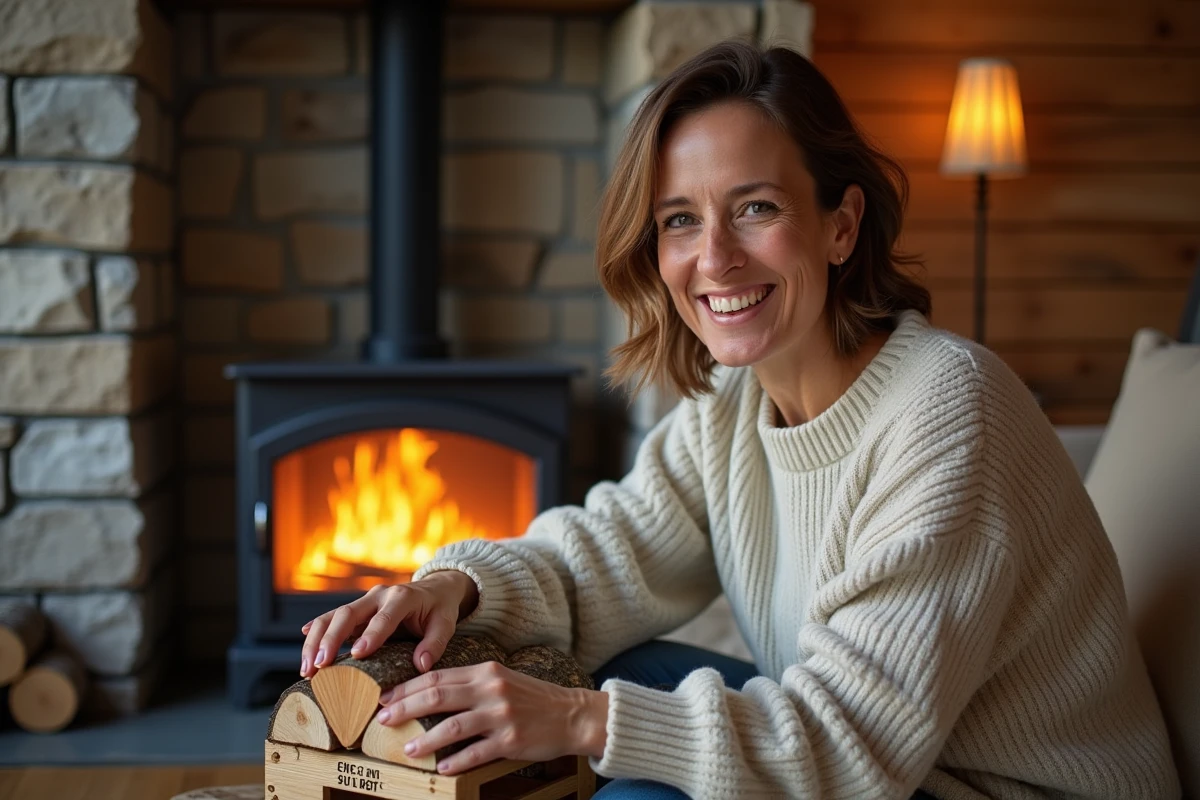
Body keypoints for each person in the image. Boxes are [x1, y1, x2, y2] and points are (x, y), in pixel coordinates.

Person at [299, 41, 1180, 799]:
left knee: (624, 750)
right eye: (680, 220)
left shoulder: (950, 412)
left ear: (841, 226)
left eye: (755, 208)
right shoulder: (733, 402)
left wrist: (581, 722)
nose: (713, 258)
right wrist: (453, 589)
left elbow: (847, 749)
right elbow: (603, 559)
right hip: (897, 768)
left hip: (990, 787)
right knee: (574, 674)